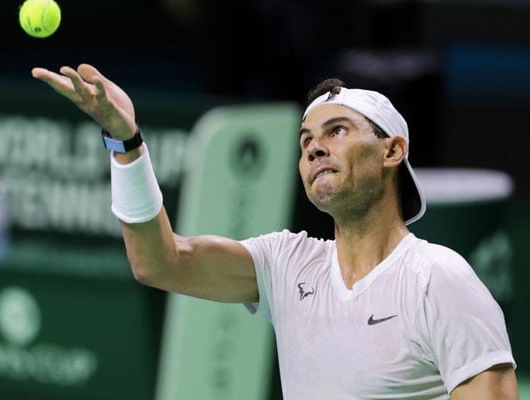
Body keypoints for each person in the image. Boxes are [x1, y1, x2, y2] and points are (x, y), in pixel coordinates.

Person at [31, 63, 518, 399]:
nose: (313, 148)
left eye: (338, 131)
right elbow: (160, 262)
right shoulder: (286, 265)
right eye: (306, 140)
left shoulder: (438, 279)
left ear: (392, 151)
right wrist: (125, 142)